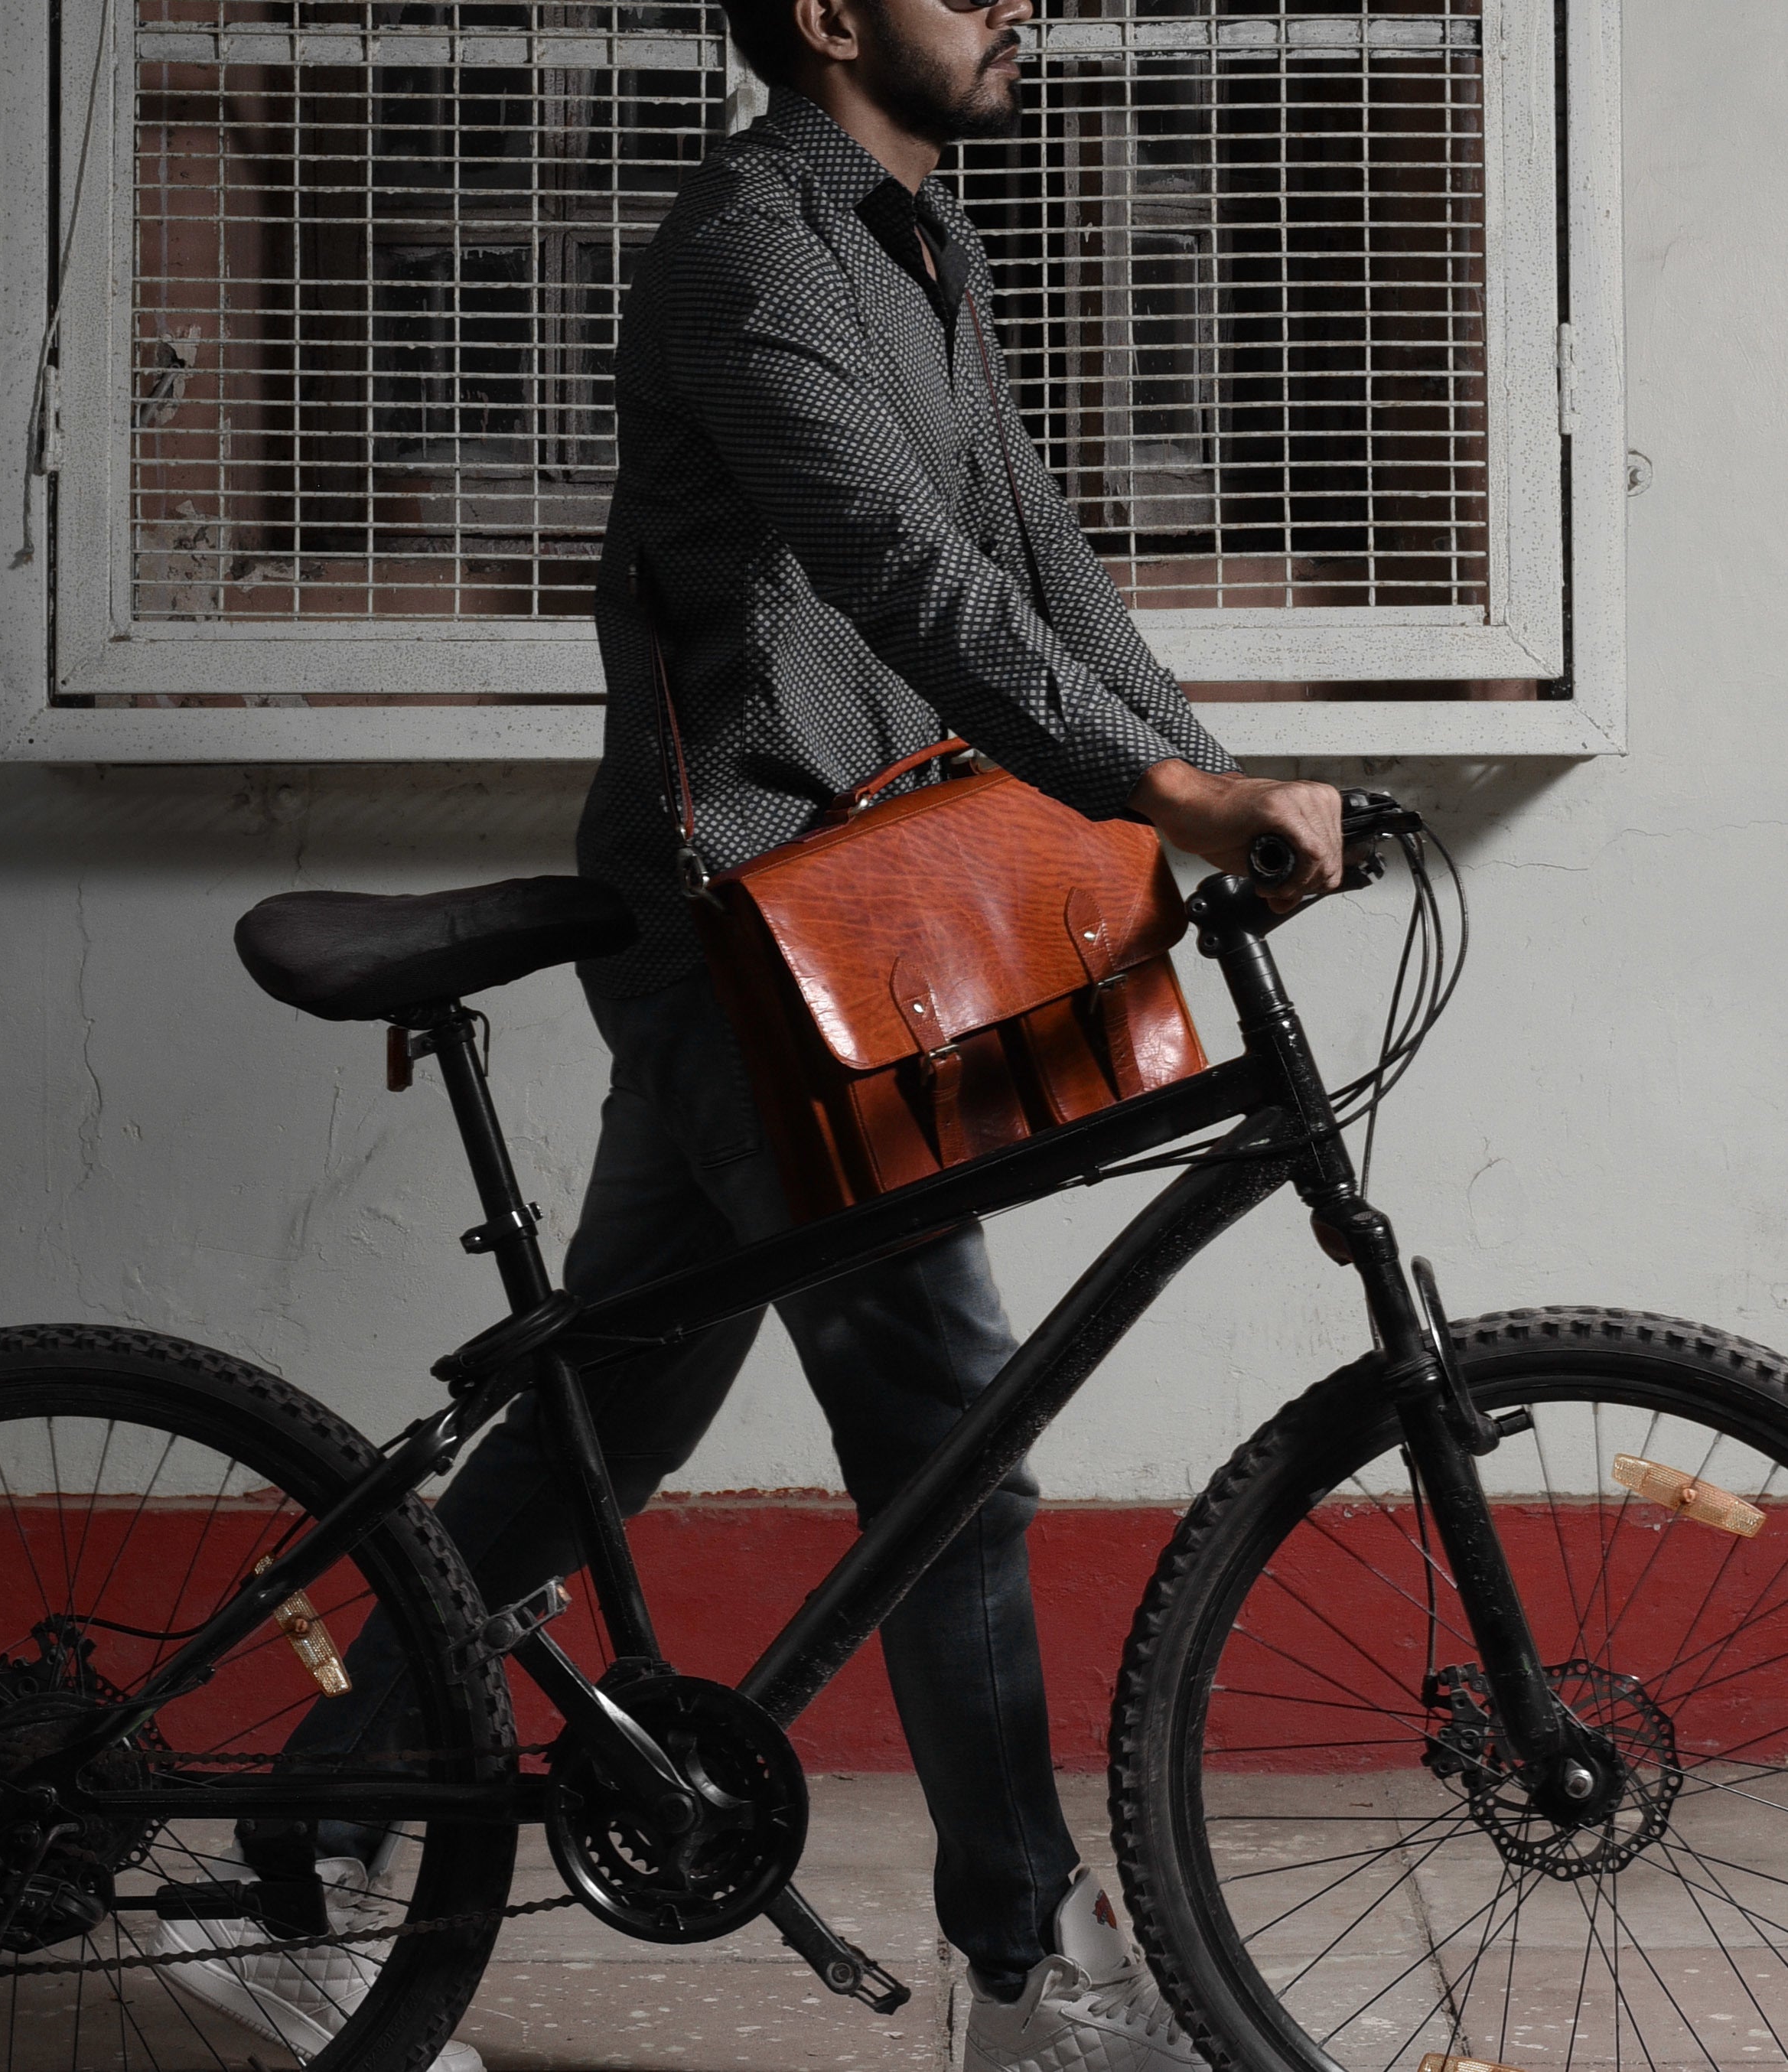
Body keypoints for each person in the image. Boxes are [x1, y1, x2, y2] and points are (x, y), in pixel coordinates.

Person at [159, 0, 1345, 2059]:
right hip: (762, 942)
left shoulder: (915, 242)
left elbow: (1039, 563)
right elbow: (897, 565)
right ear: (818, 14)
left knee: (608, 1417)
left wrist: (1216, 782)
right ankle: (1028, 1971)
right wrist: (1162, 801)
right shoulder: (745, 244)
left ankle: (301, 1865)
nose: (1016, 3)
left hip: (851, 914)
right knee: (949, 1441)